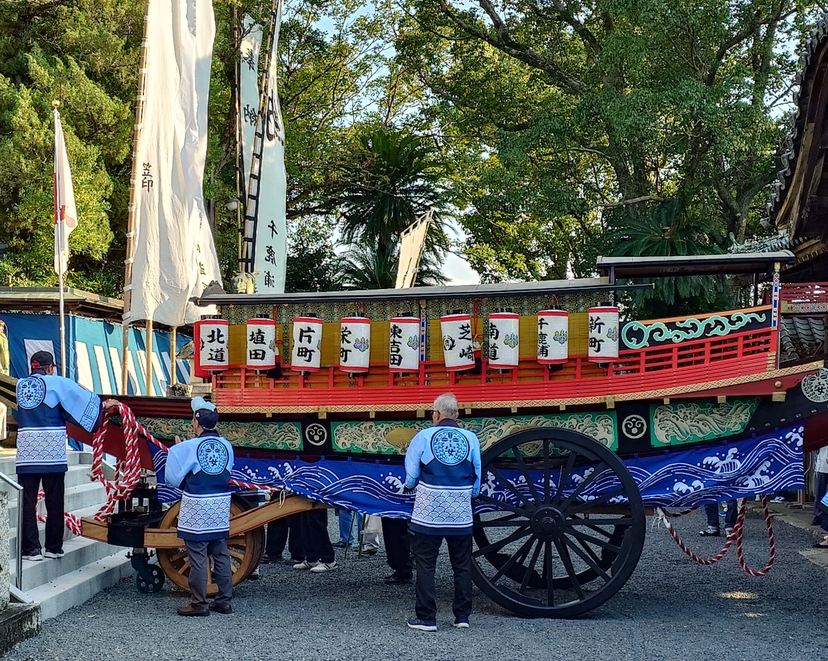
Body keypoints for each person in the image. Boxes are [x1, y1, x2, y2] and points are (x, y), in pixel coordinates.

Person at [14, 350, 104, 561]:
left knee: (27, 502)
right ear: (49, 368)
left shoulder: (18, 386)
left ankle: (31, 549)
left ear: (32, 367)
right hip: (52, 451)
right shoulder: (58, 383)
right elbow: (86, 400)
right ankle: (53, 548)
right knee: (55, 502)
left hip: (27, 452)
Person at [403, 393, 481, 631]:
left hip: (429, 512)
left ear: (435, 415)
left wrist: (408, 486)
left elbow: (412, 472)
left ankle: (427, 617)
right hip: (460, 513)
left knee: (426, 563)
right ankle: (462, 616)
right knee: (462, 564)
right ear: (457, 415)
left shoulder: (424, 436)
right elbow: (477, 475)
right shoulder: (471, 438)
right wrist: (470, 493)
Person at [165, 396, 235, 616]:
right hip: (221, 505)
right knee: (221, 554)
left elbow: (172, 478)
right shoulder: (227, 445)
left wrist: (179, 450)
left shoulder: (187, 447)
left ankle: (199, 603)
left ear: (196, 422)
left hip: (197, 506)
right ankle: (224, 601)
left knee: (197, 556)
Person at [813, 445, 828, 526]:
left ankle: (825, 517)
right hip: (821, 465)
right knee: (819, 492)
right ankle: (818, 515)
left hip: (822, 464)